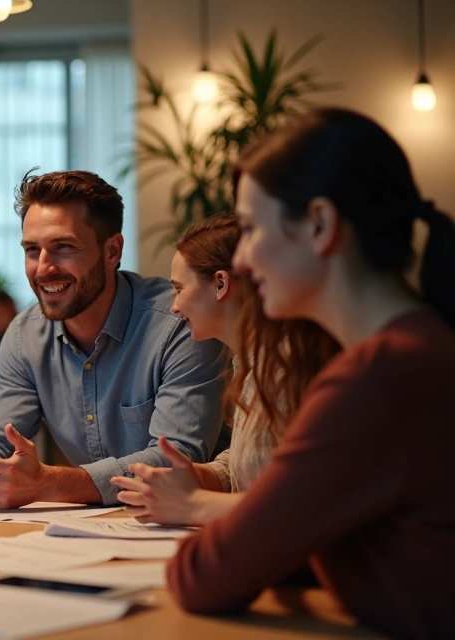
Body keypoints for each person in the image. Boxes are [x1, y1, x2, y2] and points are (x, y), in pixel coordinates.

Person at [165, 108, 455, 638]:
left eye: (251, 229)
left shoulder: (377, 377)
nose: (245, 261)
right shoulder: (418, 347)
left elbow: (204, 576)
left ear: (320, 225)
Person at [0, 170, 228, 508]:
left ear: (112, 250)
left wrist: (52, 484)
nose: (43, 268)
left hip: (196, 524)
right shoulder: (25, 335)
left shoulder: (179, 324)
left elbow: (178, 462)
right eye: (31, 250)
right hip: (90, 536)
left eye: (63, 247)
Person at [110, 215, 339, 525]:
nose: (174, 306)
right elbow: (253, 463)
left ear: (220, 284)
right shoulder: (249, 360)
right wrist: (198, 476)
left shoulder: (290, 366)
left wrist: (194, 503)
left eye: (179, 289)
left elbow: (301, 500)